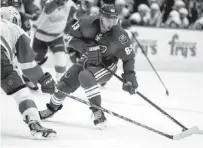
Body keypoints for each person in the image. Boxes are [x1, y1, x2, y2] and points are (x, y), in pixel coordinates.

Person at [39, 4, 138, 130]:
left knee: (85, 76)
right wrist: (85, 47)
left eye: (115, 20)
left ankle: (97, 111)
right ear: (101, 17)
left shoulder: (120, 36)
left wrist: (129, 78)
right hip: (87, 60)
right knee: (63, 86)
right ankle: (51, 109)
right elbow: (68, 37)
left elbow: (128, 58)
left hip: (107, 65)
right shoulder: (86, 23)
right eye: (109, 19)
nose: (112, 24)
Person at [0, 6, 57, 139]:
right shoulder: (15, 29)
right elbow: (28, 66)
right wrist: (43, 79)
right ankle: (35, 123)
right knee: (23, 94)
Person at [32, 0, 77, 82]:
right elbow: (48, 10)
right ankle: (28, 78)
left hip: (57, 37)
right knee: (37, 62)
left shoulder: (70, 5)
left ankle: (60, 82)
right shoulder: (49, 3)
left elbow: (75, 18)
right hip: (41, 37)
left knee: (61, 59)